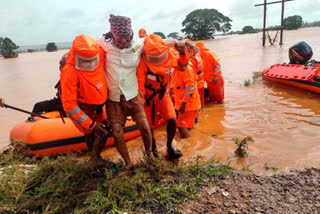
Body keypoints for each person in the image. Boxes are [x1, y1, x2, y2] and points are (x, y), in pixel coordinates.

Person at [97, 14, 152, 170]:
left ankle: (149, 156)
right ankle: (128, 164)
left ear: (131, 34)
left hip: (132, 95)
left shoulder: (138, 45)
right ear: (113, 34)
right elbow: (85, 48)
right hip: (113, 99)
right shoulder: (104, 44)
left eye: (126, 38)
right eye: (119, 38)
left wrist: (180, 43)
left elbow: (160, 43)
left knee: (145, 127)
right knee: (117, 132)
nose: (122, 42)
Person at [60, 34, 109, 168]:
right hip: (83, 108)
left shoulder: (99, 52)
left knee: (104, 129)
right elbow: (69, 105)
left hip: (98, 106)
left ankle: (96, 157)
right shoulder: (69, 72)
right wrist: (91, 124)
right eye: (85, 61)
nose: (89, 64)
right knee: (91, 132)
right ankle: (93, 160)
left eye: (92, 60)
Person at [137, 34, 182, 159]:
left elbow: (182, 65)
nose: (158, 61)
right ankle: (154, 150)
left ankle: (169, 147)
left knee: (172, 119)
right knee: (149, 127)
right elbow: (140, 86)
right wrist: (140, 104)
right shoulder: (142, 63)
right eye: (154, 58)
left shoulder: (171, 54)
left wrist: (183, 50)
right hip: (148, 99)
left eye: (160, 57)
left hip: (163, 94)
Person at [171, 40, 201, 138]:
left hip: (188, 104)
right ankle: (194, 139)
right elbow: (175, 83)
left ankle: (189, 147)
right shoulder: (178, 68)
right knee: (187, 126)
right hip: (188, 102)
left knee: (180, 126)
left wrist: (183, 104)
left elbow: (189, 88)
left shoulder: (186, 70)